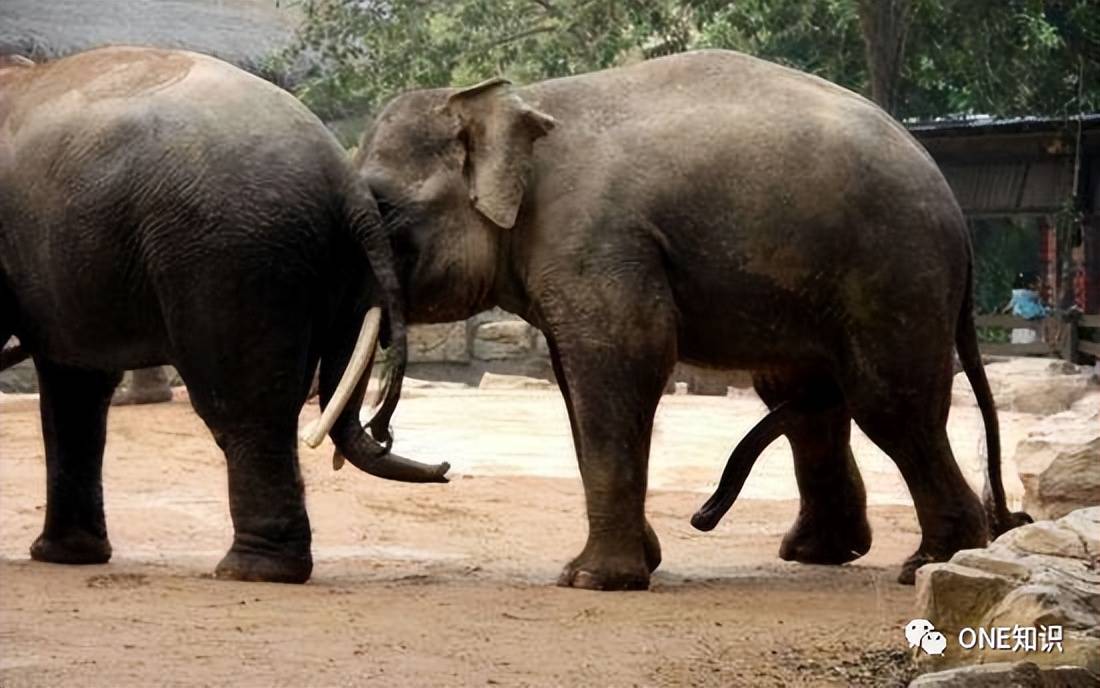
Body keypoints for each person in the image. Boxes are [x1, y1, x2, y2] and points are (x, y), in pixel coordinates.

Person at [1004, 271, 1049, 344]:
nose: (1040, 286)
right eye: (1037, 283)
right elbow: (1030, 313)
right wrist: (1045, 311)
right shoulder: (1026, 298)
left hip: (1017, 336)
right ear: (1030, 285)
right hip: (1029, 336)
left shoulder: (1016, 299)